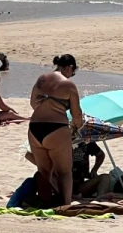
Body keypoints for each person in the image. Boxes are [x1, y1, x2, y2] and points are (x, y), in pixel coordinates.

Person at [28, 54, 83, 206]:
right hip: (56, 128)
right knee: (64, 171)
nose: (72, 75)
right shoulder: (68, 85)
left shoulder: (41, 79)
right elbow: (76, 114)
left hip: (34, 127)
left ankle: (46, 202)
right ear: (70, 67)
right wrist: (77, 126)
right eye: (73, 72)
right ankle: (65, 204)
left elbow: (33, 103)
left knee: (44, 171)